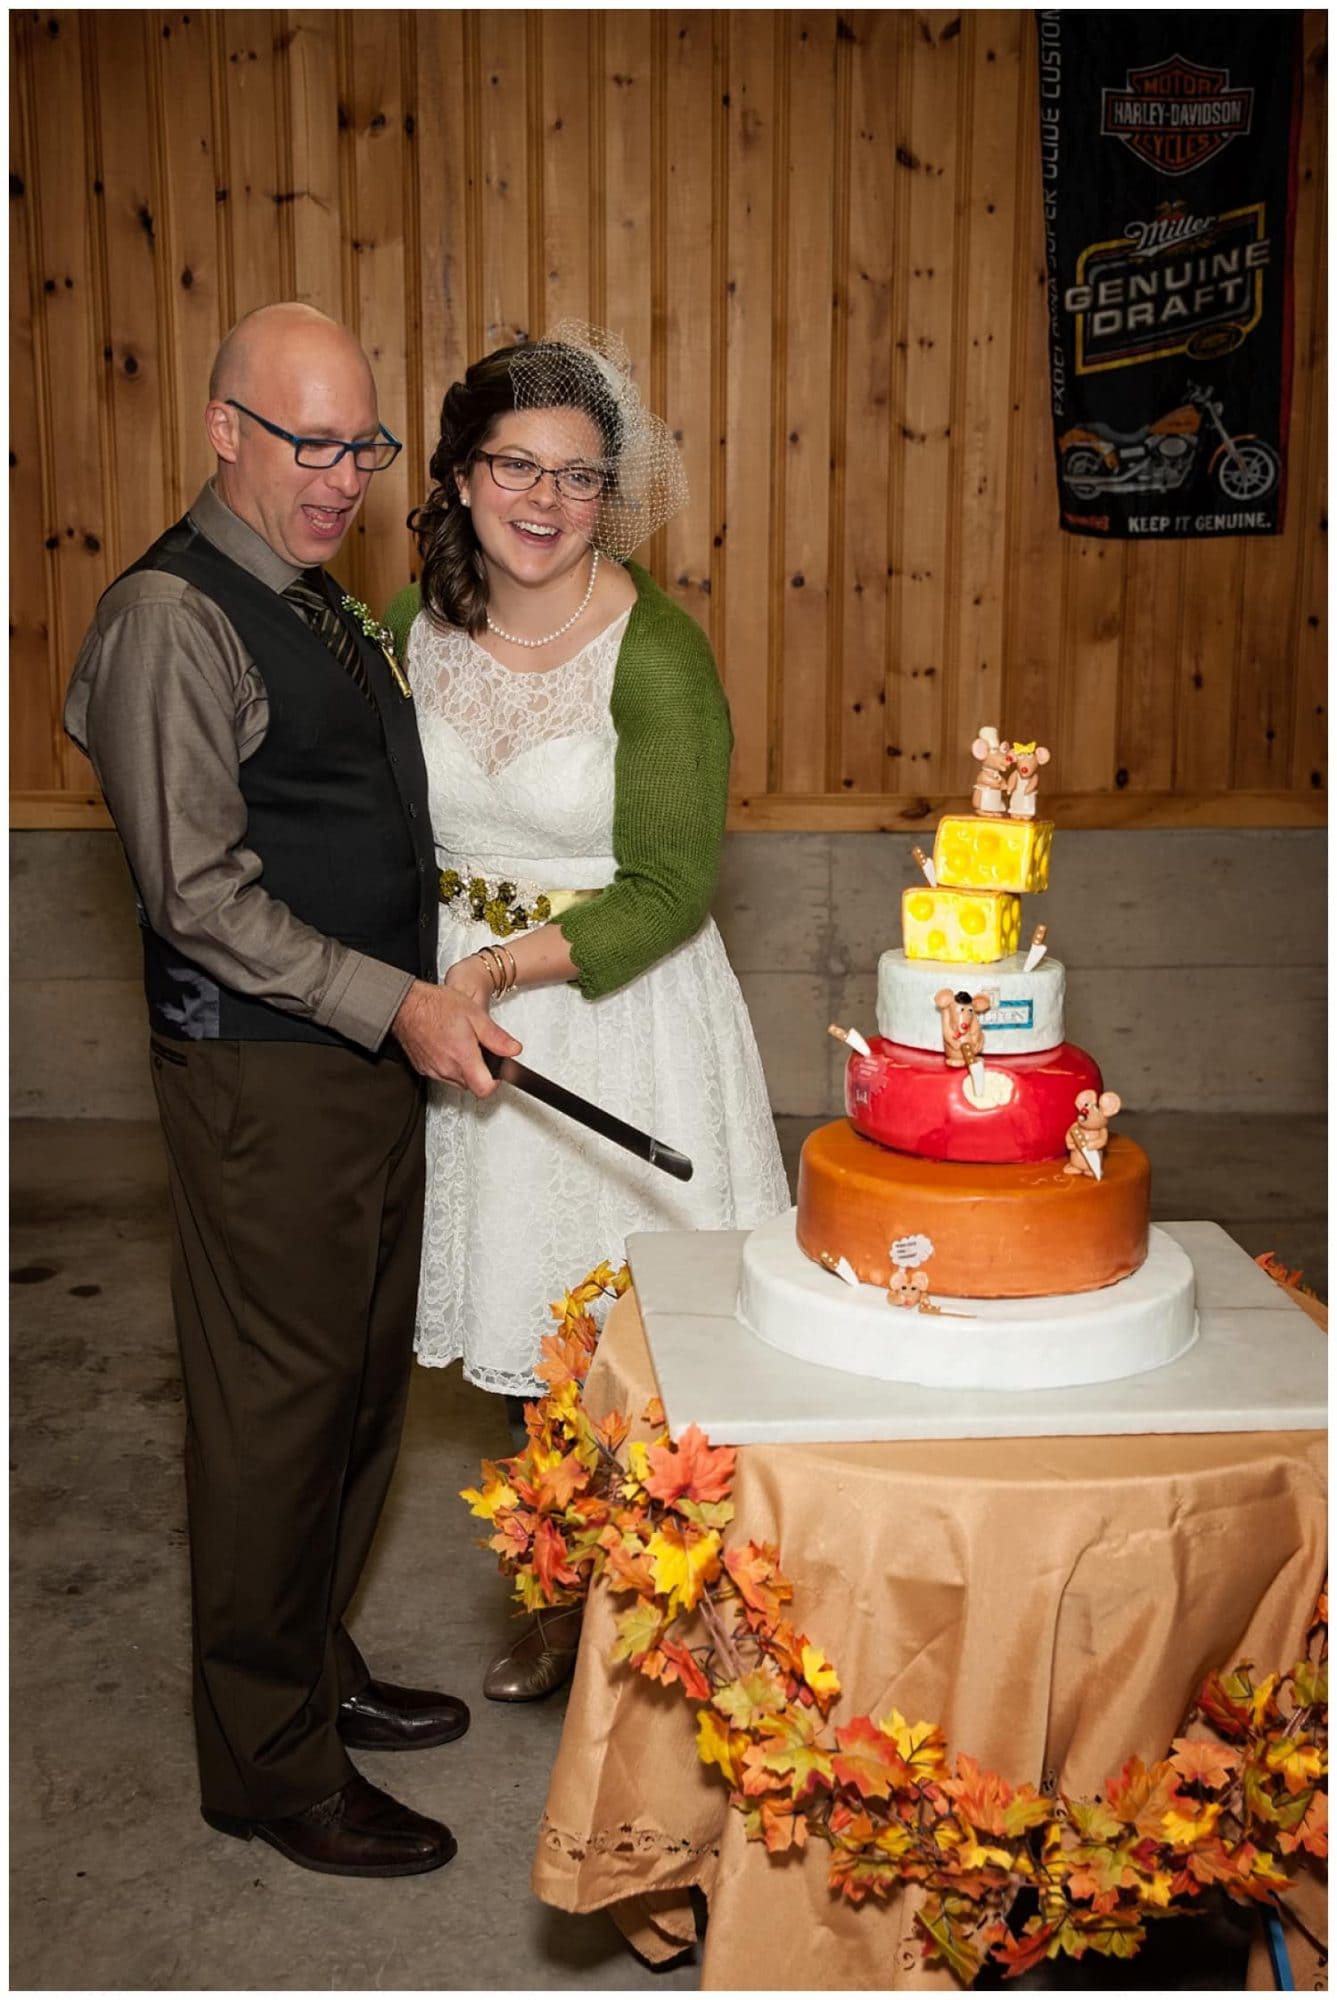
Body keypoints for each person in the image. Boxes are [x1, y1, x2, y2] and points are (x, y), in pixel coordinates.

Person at [64, 302, 521, 1878]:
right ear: (223, 432)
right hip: (265, 1080)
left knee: (353, 1397)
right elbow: (195, 892)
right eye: (306, 443)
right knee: (272, 1423)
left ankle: (310, 1674)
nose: (340, 479)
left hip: (362, 1059)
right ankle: (263, 1767)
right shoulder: (170, 619)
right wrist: (388, 1000)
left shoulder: (316, 600)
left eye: (363, 447)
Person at [385, 323, 791, 1700]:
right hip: (455, 1008)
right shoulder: (409, 621)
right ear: (457, 474)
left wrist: (496, 972)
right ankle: (560, 1596)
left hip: (613, 1008)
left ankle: (678, 1597)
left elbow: (673, 885)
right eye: (515, 466)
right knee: (521, 1328)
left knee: (631, 1329)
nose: (545, 503)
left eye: (576, 476)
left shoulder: (656, 649)